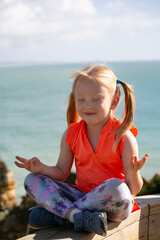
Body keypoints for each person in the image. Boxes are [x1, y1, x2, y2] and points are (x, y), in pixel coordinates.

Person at [15, 65, 149, 236]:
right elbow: (61, 172)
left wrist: (133, 172)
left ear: (114, 101)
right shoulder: (71, 133)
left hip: (112, 205)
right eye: (81, 99)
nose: (88, 106)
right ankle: (77, 216)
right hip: (80, 196)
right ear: (74, 99)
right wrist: (42, 169)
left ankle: (61, 215)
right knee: (31, 180)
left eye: (96, 99)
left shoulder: (123, 136)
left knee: (118, 188)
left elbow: (132, 190)